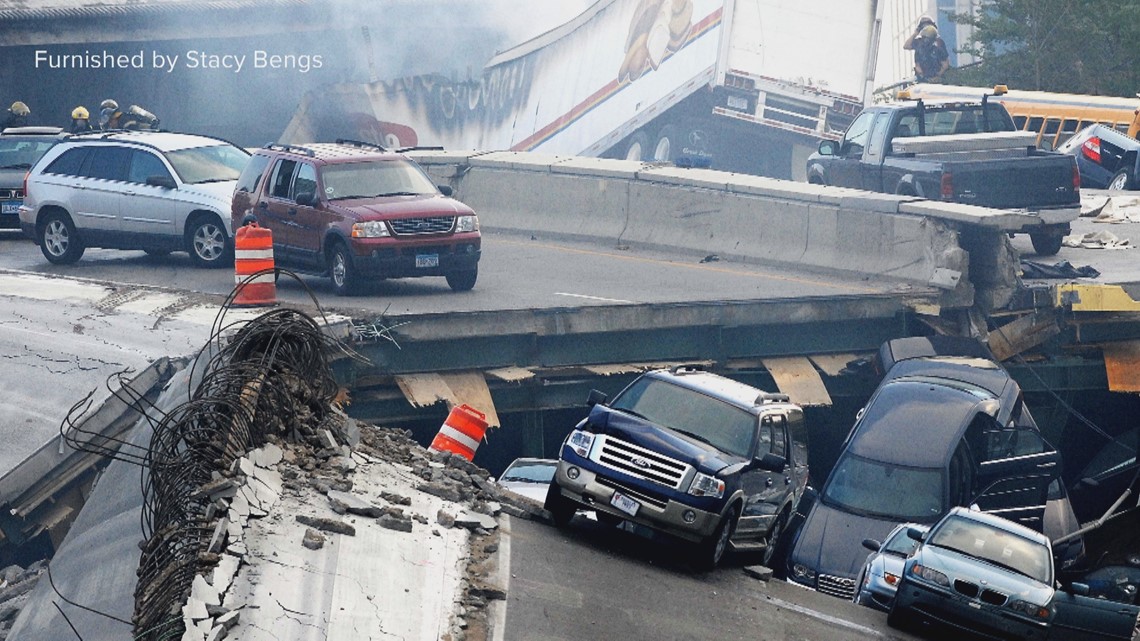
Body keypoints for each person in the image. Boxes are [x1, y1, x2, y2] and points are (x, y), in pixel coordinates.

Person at [904, 16, 950, 83]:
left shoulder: (939, 43)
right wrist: (915, 33)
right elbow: (906, 46)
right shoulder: (919, 43)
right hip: (922, 79)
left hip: (938, 78)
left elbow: (945, 63)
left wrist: (937, 76)